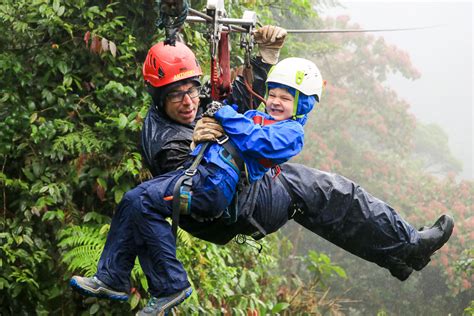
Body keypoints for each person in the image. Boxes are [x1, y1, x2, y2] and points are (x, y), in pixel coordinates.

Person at [139, 24, 454, 283]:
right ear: (159, 98)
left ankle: (395, 255)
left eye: (191, 90)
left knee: (321, 203)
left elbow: (230, 106)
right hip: (234, 207)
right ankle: (408, 245)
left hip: (241, 196)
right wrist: (200, 148)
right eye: (176, 96)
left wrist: (264, 61)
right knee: (334, 194)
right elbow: (183, 191)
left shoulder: (180, 110)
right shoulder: (167, 142)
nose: (189, 102)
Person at [70, 49, 323, 315]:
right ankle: (113, 277)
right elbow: (240, 106)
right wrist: (214, 121)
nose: (275, 102)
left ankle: (168, 285)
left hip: (213, 185)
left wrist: (222, 117)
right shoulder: (255, 119)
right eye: (272, 95)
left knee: (144, 203)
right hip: (203, 176)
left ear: (302, 104)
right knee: (134, 201)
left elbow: (253, 139)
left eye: (285, 98)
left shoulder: (291, 133)